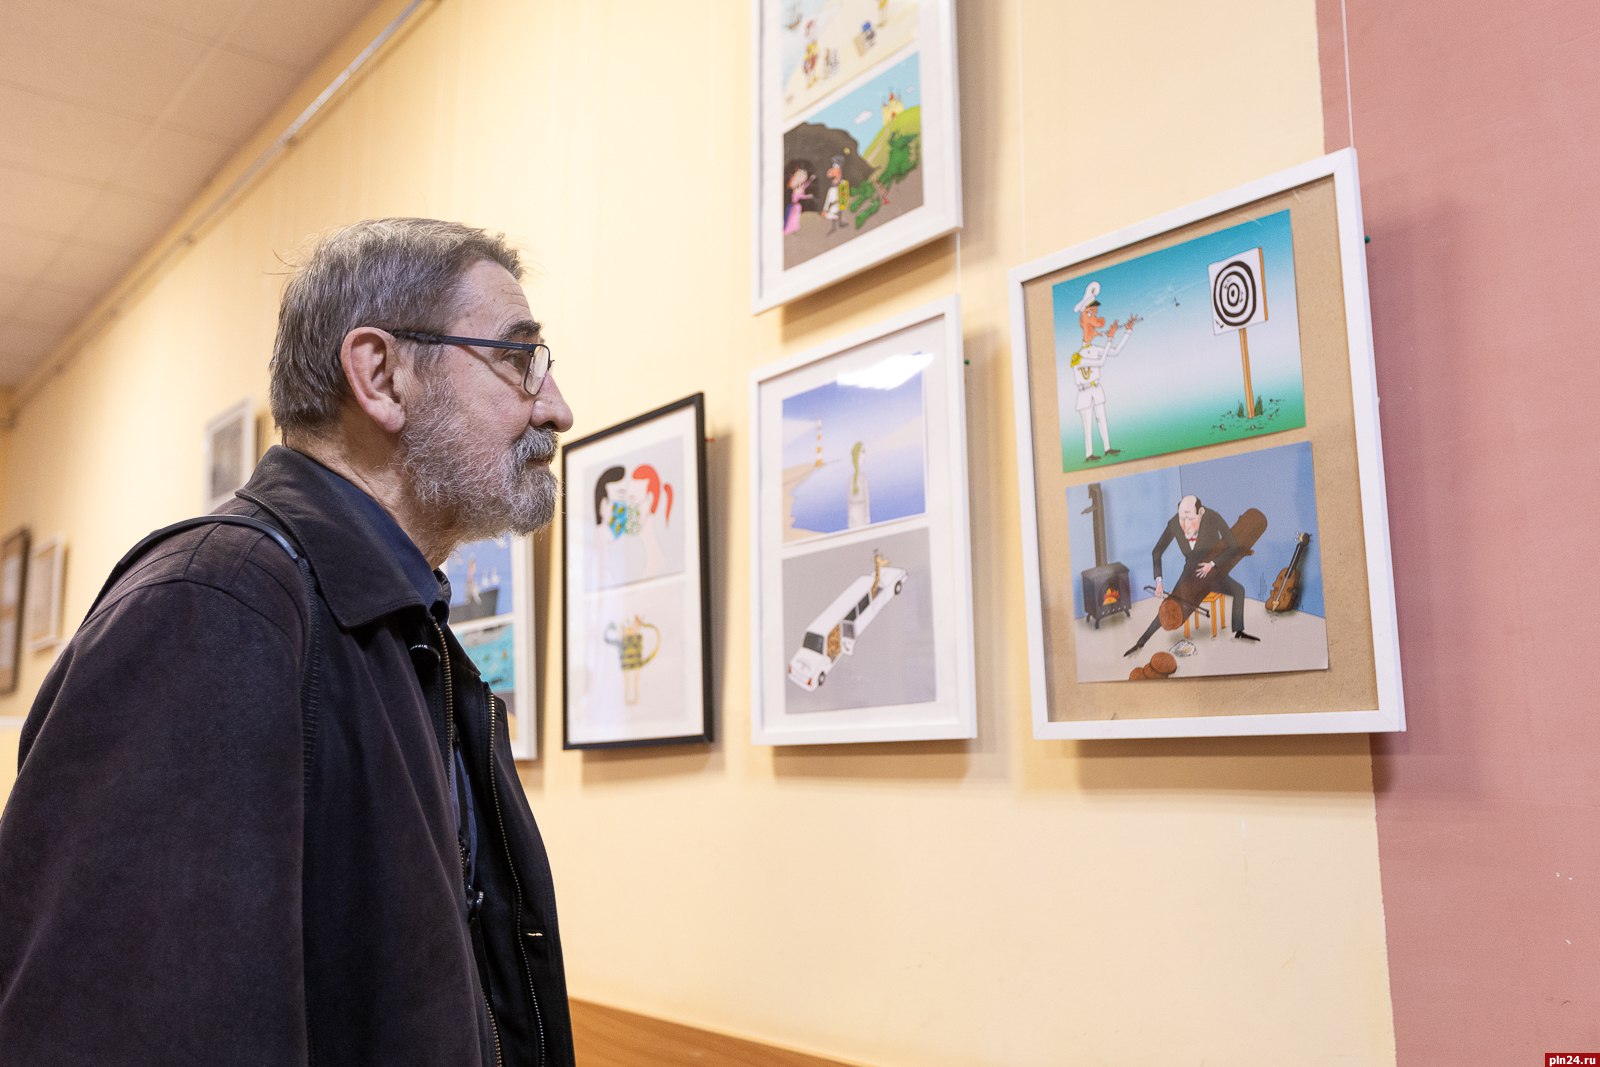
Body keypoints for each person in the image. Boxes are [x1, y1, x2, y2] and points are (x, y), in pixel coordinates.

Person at [0, 218, 577, 1066]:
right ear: (380, 376)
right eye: (519, 357)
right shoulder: (214, 606)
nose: (556, 406)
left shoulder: (393, 631)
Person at [1124, 494, 1259, 657]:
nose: (1185, 525)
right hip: (1190, 573)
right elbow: (1157, 551)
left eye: (1190, 518)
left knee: (1239, 590)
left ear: (1200, 512)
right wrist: (1159, 582)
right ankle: (1141, 642)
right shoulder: (1174, 523)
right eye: (1182, 519)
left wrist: (1213, 563)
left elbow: (1233, 546)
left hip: (1214, 571)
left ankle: (1239, 631)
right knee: (1171, 605)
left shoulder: (1213, 517)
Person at [1066, 281, 1138, 462]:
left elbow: (1115, 352)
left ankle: (1107, 448)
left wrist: (1127, 332)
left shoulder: (1095, 348)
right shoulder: (1077, 357)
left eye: (1095, 313)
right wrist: (1109, 339)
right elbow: (1100, 362)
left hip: (1096, 388)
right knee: (1087, 423)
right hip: (1084, 391)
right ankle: (1089, 454)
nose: (1096, 318)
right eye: (1091, 313)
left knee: (1101, 418)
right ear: (1083, 320)